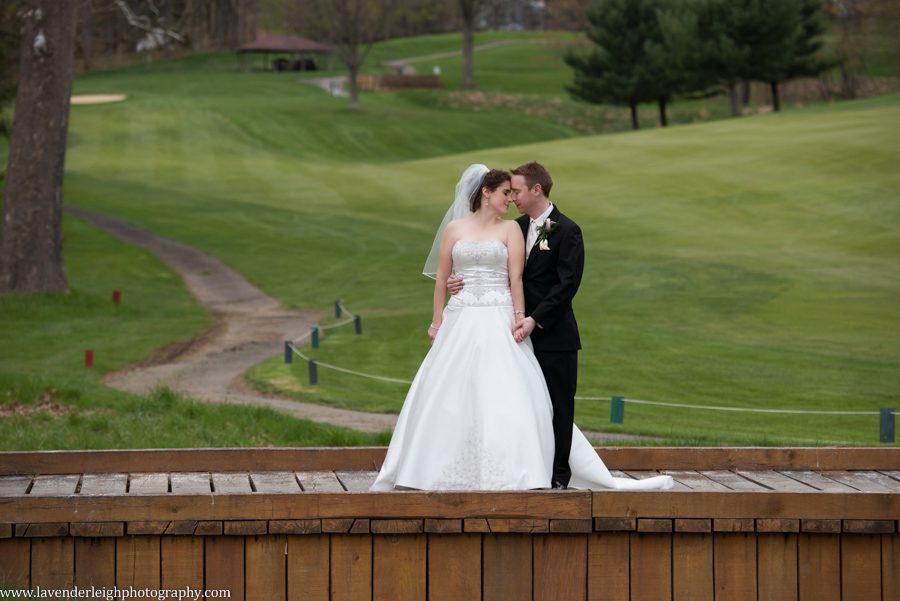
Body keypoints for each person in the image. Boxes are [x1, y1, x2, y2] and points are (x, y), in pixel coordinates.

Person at [370, 164, 672, 492]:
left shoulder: (560, 230)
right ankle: (444, 465)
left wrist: (524, 316)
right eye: (506, 192)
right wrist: (456, 289)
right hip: (470, 316)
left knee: (543, 402)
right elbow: (451, 274)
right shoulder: (508, 225)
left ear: (536, 190)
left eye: (515, 192)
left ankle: (555, 475)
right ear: (486, 192)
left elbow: (556, 283)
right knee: (457, 392)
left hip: (537, 326)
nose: (511, 198)